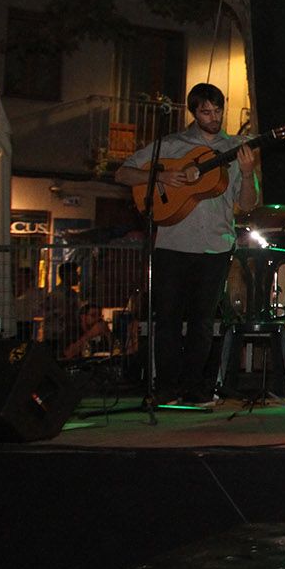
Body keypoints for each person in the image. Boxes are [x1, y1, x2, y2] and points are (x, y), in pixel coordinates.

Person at [113, 83, 259, 405]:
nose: (214, 117)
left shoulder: (236, 148)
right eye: (206, 112)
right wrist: (161, 177)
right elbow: (123, 174)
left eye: (218, 110)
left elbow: (248, 204)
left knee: (202, 322)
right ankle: (167, 386)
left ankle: (195, 387)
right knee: (167, 318)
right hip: (173, 242)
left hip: (215, 245)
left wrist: (248, 174)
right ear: (193, 112)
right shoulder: (171, 145)